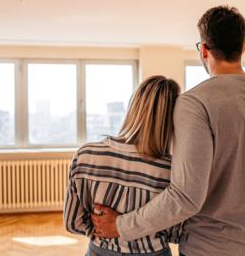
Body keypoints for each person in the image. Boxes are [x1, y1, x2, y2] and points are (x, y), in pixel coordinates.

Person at [91, 6, 245, 256]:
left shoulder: (194, 103)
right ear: (243, 48)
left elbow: (186, 196)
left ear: (203, 49)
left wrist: (121, 226)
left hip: (206, 249)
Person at [64, 75, 181, 256]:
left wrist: (109, 230)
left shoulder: (85, 155)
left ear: (133, 107)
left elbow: (73, 223)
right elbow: (176, 233)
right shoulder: (173, 169)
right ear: (172, 119)